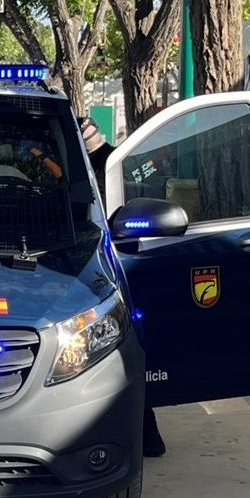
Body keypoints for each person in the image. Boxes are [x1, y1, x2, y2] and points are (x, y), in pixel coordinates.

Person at [80, 115, 166, 457]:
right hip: (116, 262)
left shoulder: (110, 163)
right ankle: (145, 433)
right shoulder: (121, 161)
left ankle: (144, 432)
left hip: (112, 264)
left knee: (122, 348)